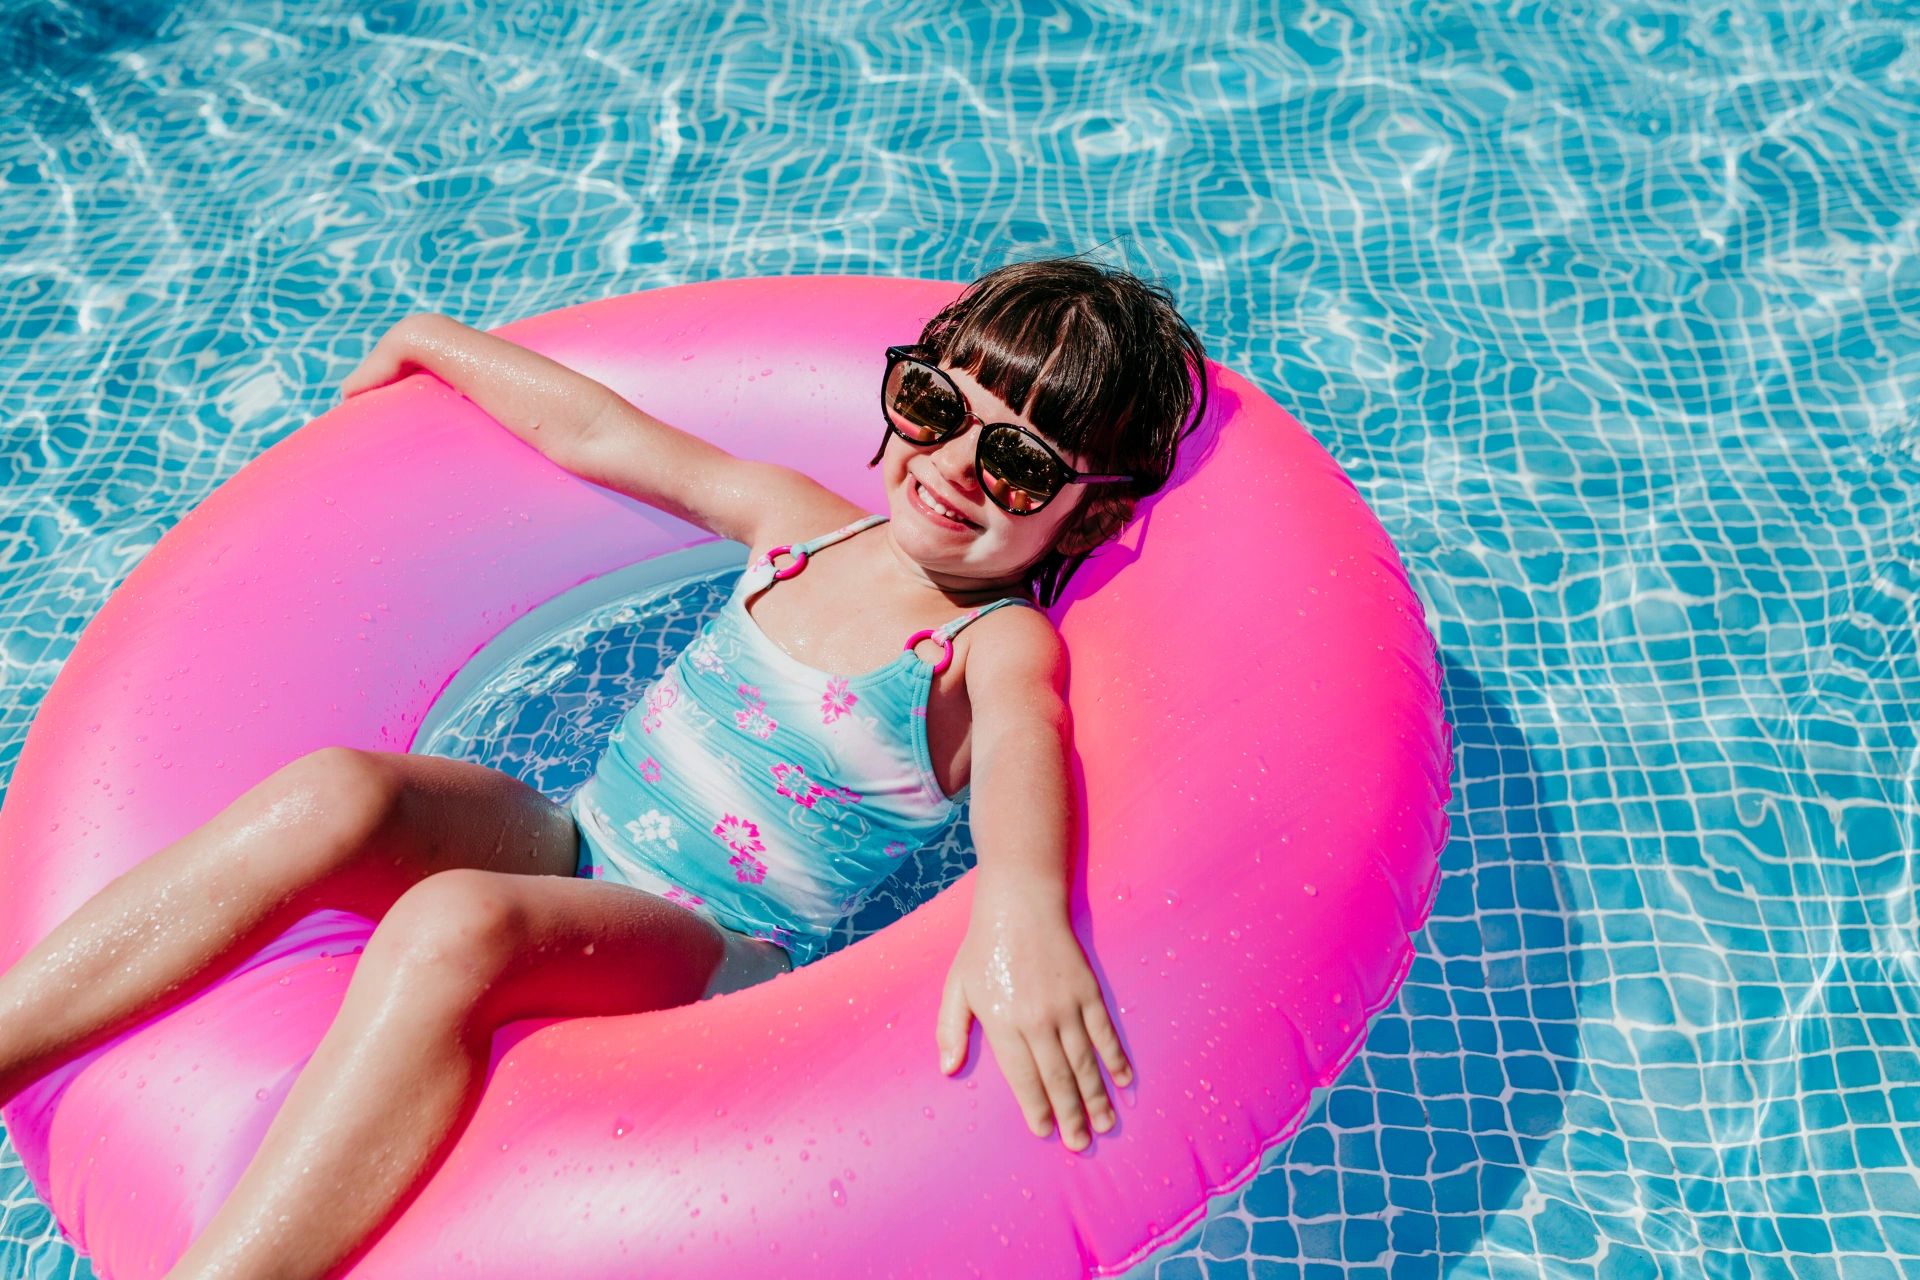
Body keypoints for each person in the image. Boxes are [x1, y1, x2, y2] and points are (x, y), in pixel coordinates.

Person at [0, 254, 1208, 1280]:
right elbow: (607, 434)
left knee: (457, 921)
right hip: (576, 836)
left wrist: (1023, 911)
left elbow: (1021, 754)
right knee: (339, 791)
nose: (951, 466)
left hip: (709, 948)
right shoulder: (802, 524)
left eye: (1020, 466)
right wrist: (438, 340)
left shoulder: (989, 641)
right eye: (936, 406)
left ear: (1085, 518)